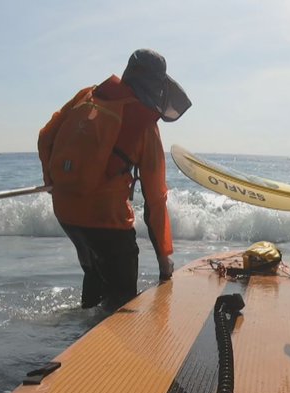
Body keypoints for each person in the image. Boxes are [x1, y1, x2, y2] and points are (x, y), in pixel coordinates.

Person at [38, 49, 190, 310]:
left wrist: (51, 179)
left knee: (94, 272)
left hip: (66, 213)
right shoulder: (145, 125)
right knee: (121, 306)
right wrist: (165, 261)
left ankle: (83, 324)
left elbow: (45, 137)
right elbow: (155, 199)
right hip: (106, 221)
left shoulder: (87, 96)